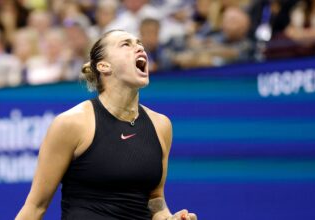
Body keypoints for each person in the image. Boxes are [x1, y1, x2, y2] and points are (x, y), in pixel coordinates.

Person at [15, 30, 197, 220]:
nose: (139, 47)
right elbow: (35, 207)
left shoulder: (161, 125)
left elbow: (155, 200)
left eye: (139, 43)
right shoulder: (71, 123)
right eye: (126, 44)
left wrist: (170, 218)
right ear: (104, 66)